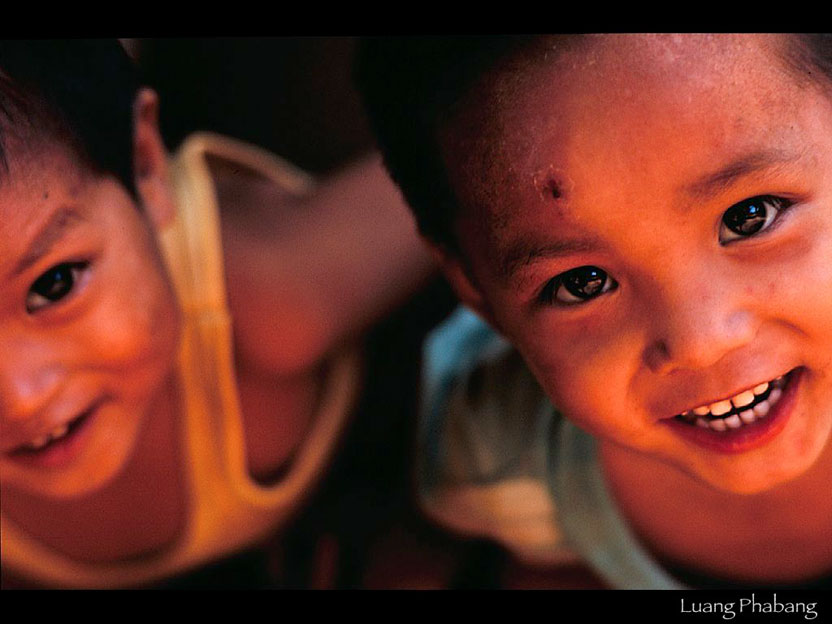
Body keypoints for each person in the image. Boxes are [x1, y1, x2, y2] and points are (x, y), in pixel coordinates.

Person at [356, 34, 832, 588]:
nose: (699, 341)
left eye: (751, 217)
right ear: (478, 295)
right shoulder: (500, 472)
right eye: (583, 284)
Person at [0, 39, 435, 588]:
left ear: (145, 165)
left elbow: (462, 162)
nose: (21, 396)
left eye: (54, 285)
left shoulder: (268, 296)